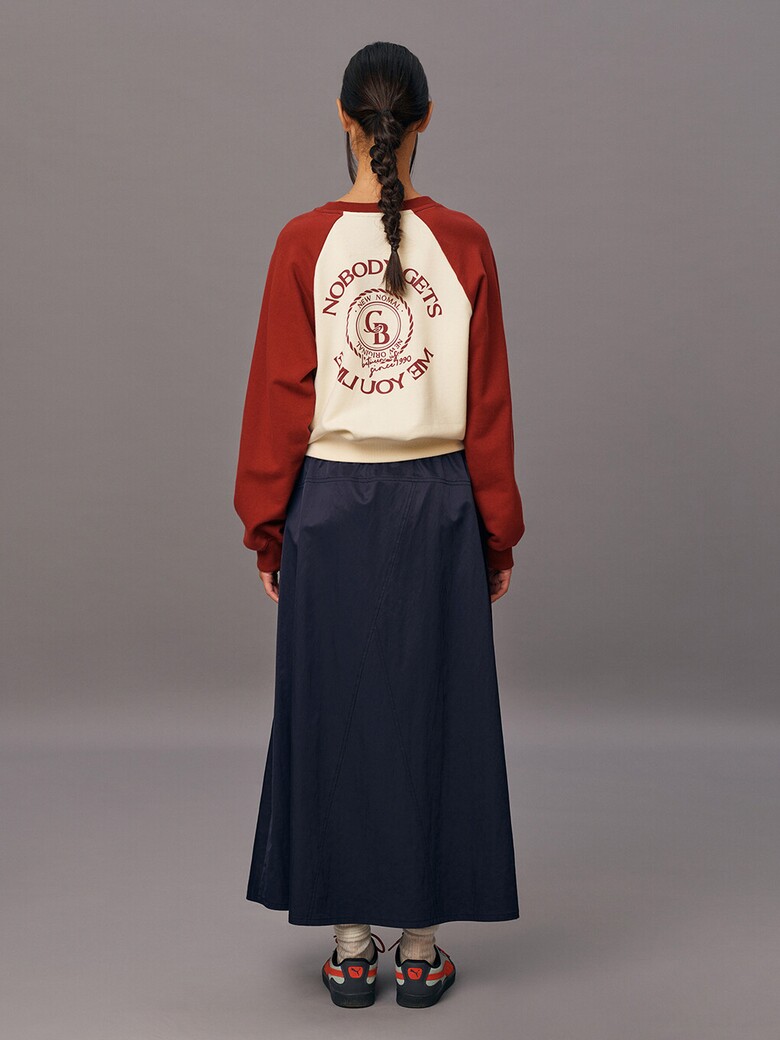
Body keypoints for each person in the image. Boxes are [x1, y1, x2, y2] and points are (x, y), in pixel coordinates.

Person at [233, 40, 526, 1010]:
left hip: (330, 505)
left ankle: (351, 944)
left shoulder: (302, 243)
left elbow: (279, 396)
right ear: (427, 119)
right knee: (434, 713)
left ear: (342, 117)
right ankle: (423, 944)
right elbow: (486, 406)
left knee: (337, 714)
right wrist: (495, 531)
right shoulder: (467, 243)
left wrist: (269, 525)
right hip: (438, 503)